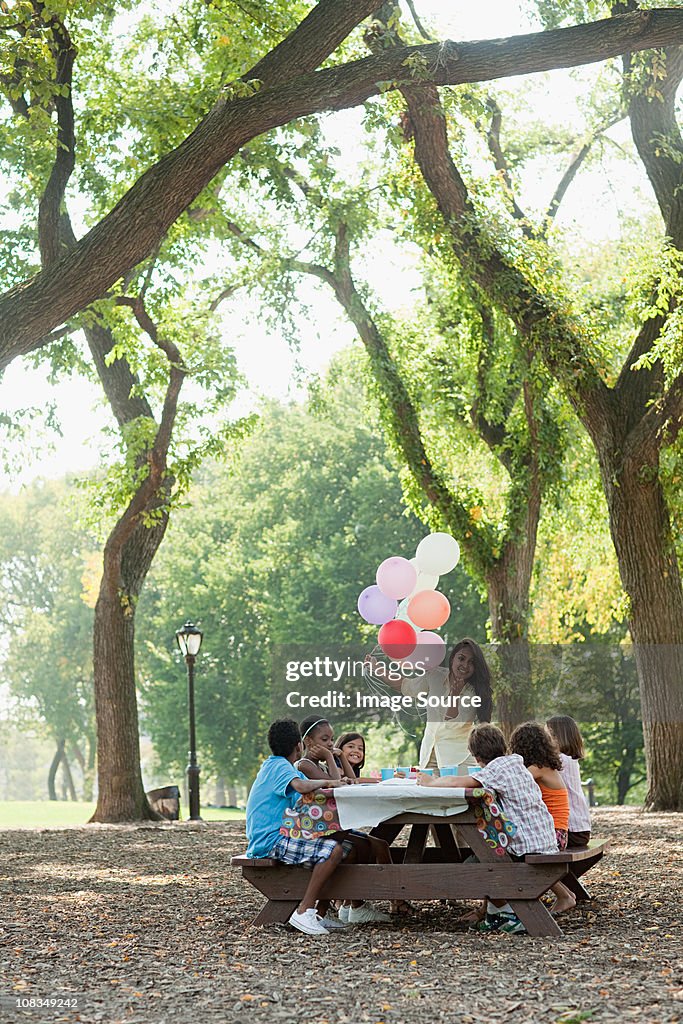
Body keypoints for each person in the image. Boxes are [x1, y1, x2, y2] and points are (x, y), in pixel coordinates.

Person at [417, 723, 557, 934]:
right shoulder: (515, 763)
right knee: (484, 850)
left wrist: (430, 782)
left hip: (527, 846)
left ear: (476, 756)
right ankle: (496, 914)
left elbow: (457, 783)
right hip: (543, 840)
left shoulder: (496, 769)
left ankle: (508, 915)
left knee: (475, 866)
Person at [245, 718, 350, 935]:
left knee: (347, 845)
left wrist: (333, 781)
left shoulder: (282, 767)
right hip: (270, 840)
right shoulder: (278, 765)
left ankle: (320, 912)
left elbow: (316, 790)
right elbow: (302, 786)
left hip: (282, 834)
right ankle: (304, 911)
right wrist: (329, 782)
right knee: (333, 850)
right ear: (299, 745)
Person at [298, 716, 392, 924]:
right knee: (353, 848)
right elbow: (337, 783)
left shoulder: (318, 767)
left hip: (327, 827)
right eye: (325, 740)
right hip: (312, 831)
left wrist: (333, 759)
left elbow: (344, 781)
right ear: (308, 742)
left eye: (332, 739)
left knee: (371, 844)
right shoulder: (305, 765)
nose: (330, 744)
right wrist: (331, 757)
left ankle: (354, 906)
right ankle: (324, 910)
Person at [367, 638, 493, 771]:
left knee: (456, 792)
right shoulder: (435, 675)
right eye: (461, 659)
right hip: (429, 754)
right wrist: (377, 668)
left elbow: (451, 722)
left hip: (459, 758)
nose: (465, 665)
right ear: (452, 659)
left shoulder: (474, 691)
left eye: (471, 662)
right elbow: (406, 686)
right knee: (428, 791)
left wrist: (454, 695)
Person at [509, 721, 575, 914]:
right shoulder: (545, 767)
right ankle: (566, 895)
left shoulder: (538, 769)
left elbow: (513, 781)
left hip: (554, 835)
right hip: (555, 832)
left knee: (515, 850)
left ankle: (562, 896)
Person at [545, 715, 592, 848]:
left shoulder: (561, 761)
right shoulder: (569, 759)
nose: (544, 741)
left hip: (572, 830)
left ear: (558, 737)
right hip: (580, 828)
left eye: (547, 736)